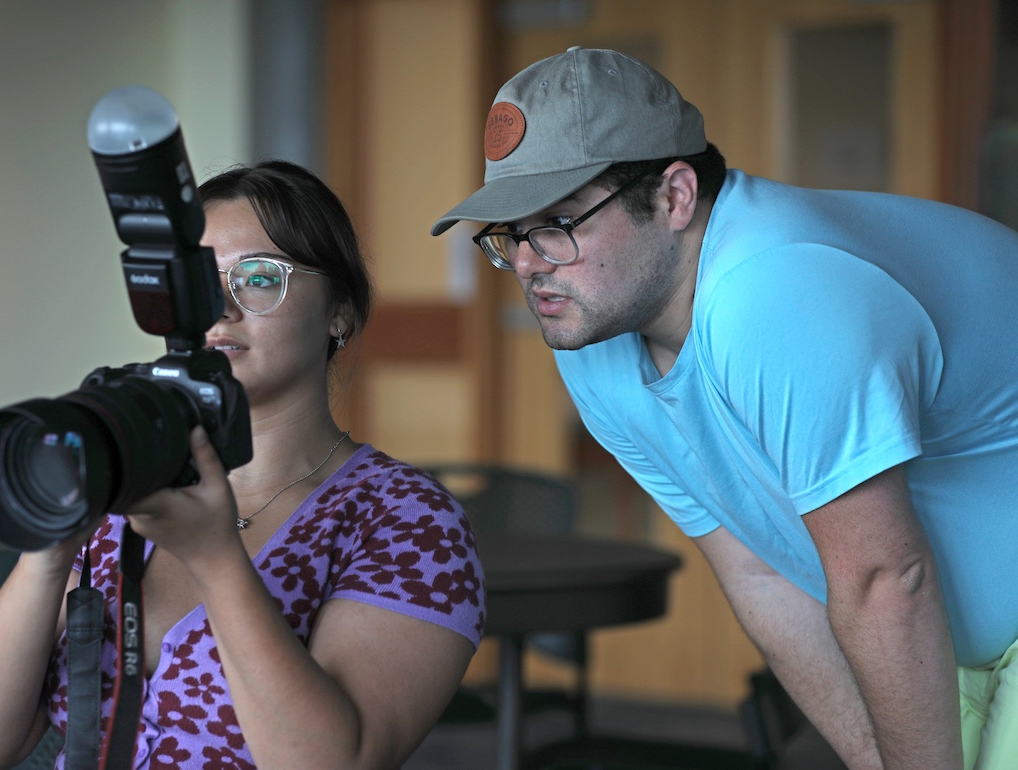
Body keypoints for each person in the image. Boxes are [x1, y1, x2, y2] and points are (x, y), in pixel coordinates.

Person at [431, 46, 1018, 770]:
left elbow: (885, 580)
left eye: (558, 221)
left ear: (675, 197)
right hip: (952, 648)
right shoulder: (595, 338)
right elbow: (761, 571)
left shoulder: (771, 292)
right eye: (512, 233)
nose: (526, 262)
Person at [0, 159, 486, 770]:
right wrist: (50, 549)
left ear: (340, 311)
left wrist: (216, 559)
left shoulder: (408, 521)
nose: (219, 308)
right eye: (198, 283)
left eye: (256, 277)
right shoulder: (131, 480)